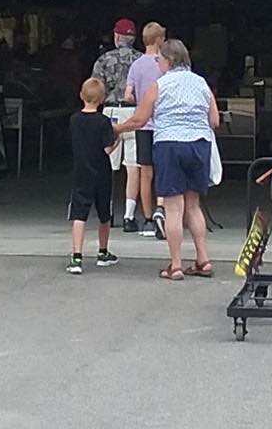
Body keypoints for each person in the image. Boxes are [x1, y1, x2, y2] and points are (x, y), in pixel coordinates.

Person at [111, 39, 221, 281]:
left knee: (173, 208)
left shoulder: (159, 86)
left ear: (169, 60)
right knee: (193, 205)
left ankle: (176, 264)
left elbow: (139, 120)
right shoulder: (201, 83)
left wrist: (117, 129)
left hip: (170, 145)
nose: (158, 63)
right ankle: (203, 259)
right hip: (199, 145)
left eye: (159, 59)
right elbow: (214, 121)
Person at [89, 19, 148, 231]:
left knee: (107, 163)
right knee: (133, 167)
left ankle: (108, 212)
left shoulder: (104, 59)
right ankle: (129, 216)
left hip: (111, 112)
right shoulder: (143, 60)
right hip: (135, 113)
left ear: (116, 37)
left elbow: (95, 88)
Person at [65, 77, 121, 275]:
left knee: (79, 214)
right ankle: (103, 251)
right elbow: (106, 149)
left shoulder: (74, 120)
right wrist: (117, 139)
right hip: (102, 172)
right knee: (104, 214)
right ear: (102, 99)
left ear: (81, 95)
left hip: (81, 171)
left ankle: (76, 256)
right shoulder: (103, 121)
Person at [123, 21, 167, 238]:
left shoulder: (136, 65)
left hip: (142, 124)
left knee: (145, 174)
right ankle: (161, 211)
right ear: (159, 40)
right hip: (162, 125)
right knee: (163, 171)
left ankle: (148, 219)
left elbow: (127, 95)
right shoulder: (164, 64)